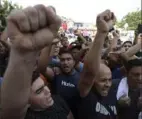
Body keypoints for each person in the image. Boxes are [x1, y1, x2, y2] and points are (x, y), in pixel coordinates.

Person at [0, 4, 74, 119]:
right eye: (39, 91)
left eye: (45, 86)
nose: (48, 91)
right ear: (26, 101)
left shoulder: (58, 101)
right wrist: (22, 54)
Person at [78, 10, 118, 119]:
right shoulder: (87, 94)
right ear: (93, 81)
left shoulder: (112, 94)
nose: (108, 84)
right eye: (103, 80)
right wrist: (102, 32)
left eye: (109, 80)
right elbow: (90, 72)